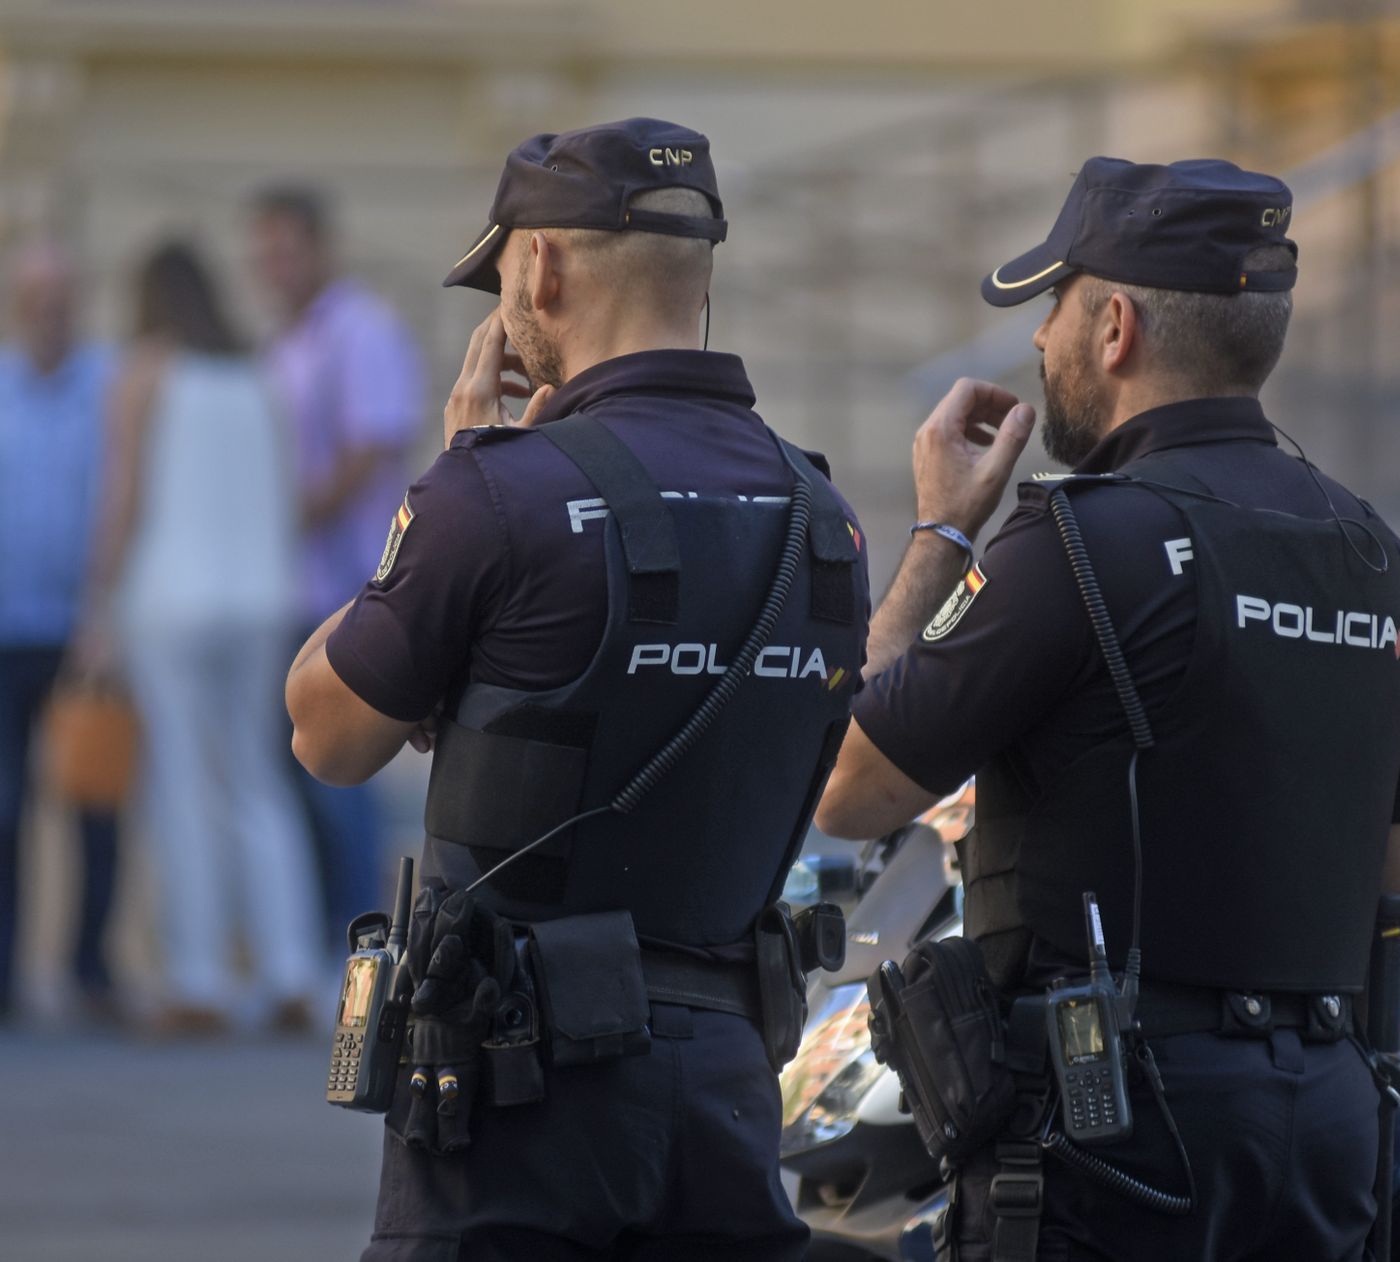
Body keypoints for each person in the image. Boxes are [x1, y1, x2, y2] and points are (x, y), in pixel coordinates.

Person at [816, 158, 1400, 1262]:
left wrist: (942, 534)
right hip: (1327, 1129)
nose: (1038, 337)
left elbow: (848, 788)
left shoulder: (1075, 541)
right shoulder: (1378, 558)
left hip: (1114, 1135)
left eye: (1054, 306)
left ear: (1115, 328)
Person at [285, 117, 870, 1260]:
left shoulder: (494, 496)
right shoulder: (823, 517)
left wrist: (449, 484)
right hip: (729, 1086)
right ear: (701, 277)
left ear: (542, 267)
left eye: (502, 274)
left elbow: (326, 732)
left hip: (513, 1097)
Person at [84, 241, 320, 1034]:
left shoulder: (144, 373)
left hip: (170, 603)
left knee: (182, 786)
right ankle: (290, 969)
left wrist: (96, 603)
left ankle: (199, 977)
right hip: (260, 601)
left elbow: (123, 498)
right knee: (258, 781)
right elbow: (284, 492)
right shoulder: (259, 375)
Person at [251, 186, 425, 948]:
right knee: (297, 774)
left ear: (321, 249)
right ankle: (324, 935)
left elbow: (369, 452)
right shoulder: (282, 343)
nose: (274, 268)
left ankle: (357, 941)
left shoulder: (361, 330)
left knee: (340, 778)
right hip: (289, 589)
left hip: (349, 589)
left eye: (286, 251)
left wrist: (281, 517)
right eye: (264, 255)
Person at [0, 241, 121, 1022]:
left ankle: (91, 973)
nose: (48, 314)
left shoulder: (112, 385)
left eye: (60, 301)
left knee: (98, 804)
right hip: (6, 632)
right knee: (4, 810)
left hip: (86, 635)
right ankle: (5, 980)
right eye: (35, 301)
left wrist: (106, 613)